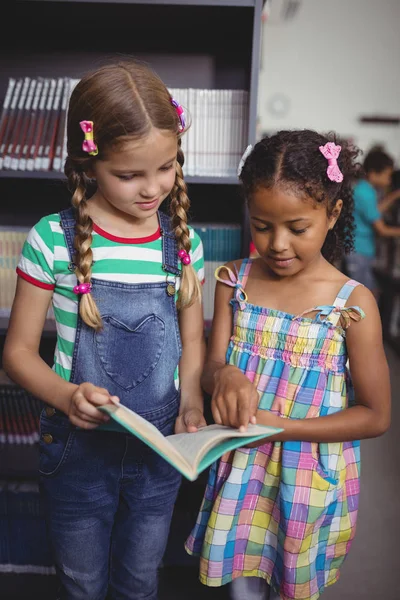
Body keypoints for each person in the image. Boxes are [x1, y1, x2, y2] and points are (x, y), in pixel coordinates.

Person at [3, 60, 207, 600]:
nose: (153, 188)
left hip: (158, 447)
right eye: (129, 174)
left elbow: (193, 341)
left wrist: (190, 403)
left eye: (166, 168)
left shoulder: (184, 242)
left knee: (140, 581)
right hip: (77, 449)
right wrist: (67, 395)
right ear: (90, 164)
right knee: (82, 582)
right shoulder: (52, 239)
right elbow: (19, 353)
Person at [185, 130, 391, 600]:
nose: (277, 244)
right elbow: (211, 365)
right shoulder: (232, 279)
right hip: (241, 470)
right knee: (241, 584)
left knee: (292, 584)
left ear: (333, 213)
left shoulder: (352, 304)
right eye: (261, 226)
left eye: (297, 228)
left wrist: (281, 428)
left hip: (306, 478)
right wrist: (226, 374)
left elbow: (376, 416)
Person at [345, 145, 400, 293]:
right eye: (387, 176)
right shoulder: (366, 194)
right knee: (362, 294)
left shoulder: (364, 189)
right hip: (359, 250)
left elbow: (374, 212)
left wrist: (393, 196)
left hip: (360, 250)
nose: (389, 181)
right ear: (373, 173)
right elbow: (382, 229)